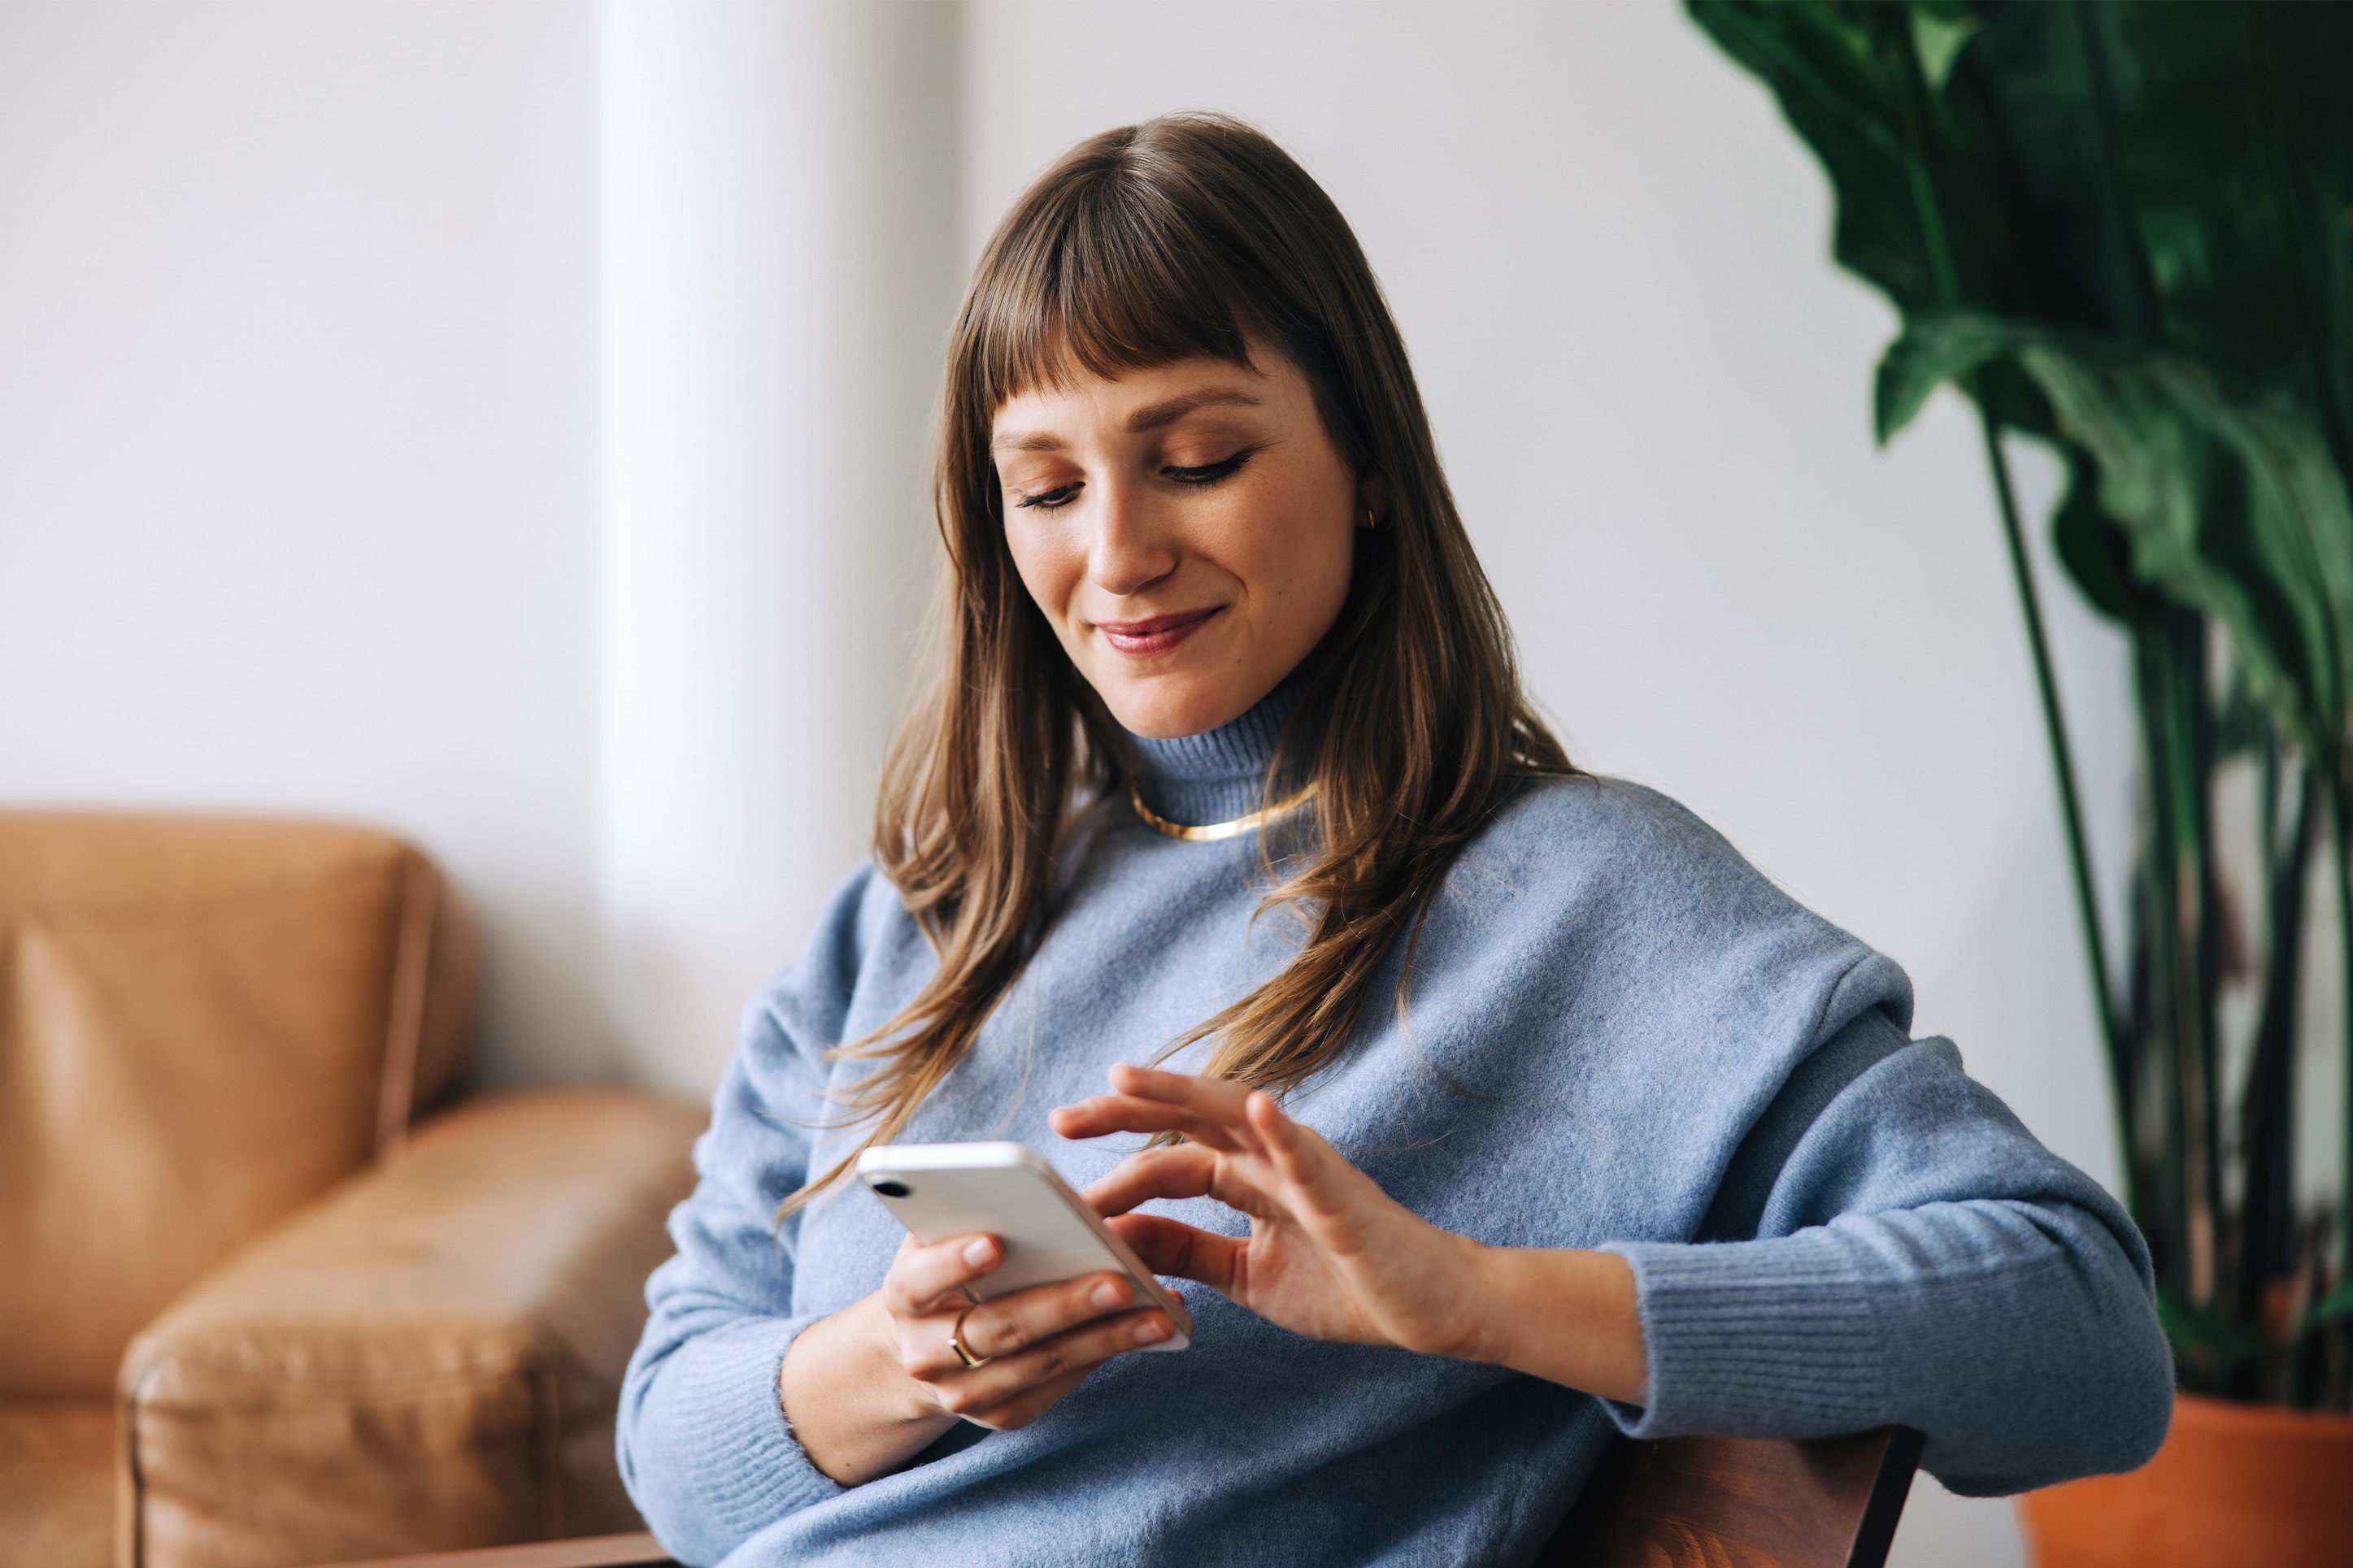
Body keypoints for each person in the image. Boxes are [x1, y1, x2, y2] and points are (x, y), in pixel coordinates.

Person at [617, 113, 2173, 1566]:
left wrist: (1486, 1300)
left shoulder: (1586, 902)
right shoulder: (919, 913)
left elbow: (2082, 1330)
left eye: (1200, 459)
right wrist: (899, 1361)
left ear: (1365, 463)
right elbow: (670, 1447)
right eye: (1044, 484)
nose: (1117, 554)